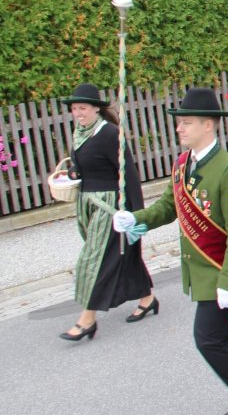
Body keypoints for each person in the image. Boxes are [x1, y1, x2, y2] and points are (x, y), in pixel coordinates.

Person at [113, 88, 228, 415]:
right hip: (200, 268)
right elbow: (170, 206)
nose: (179, 128)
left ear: (208, 125)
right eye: (180, 123)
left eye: (187, 123)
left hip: (221, 269)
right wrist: (136, 219)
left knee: (208, 338)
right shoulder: (183, 163)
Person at [58, 84, 156, 341]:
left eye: (83, 108)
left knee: (95, 260)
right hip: (87, 205)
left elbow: (129, 175)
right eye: (74, 109)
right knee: (118, 254)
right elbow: (85, 168)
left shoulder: (110, 133)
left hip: (110, 207)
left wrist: (136, 214)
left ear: (96, 109)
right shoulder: (79, 133)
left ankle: (87, 319)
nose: (78, 113)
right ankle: (148, 297)